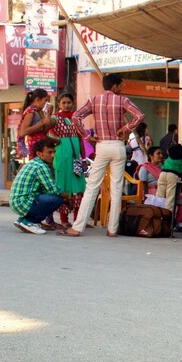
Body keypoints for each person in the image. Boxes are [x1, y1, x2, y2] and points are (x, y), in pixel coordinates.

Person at [59, 73, 144, 238]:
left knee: (92, 187)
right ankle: (112, 229)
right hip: (118, 146)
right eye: (121, 85)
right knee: (117, 187)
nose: (122, 88)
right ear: (114, 86)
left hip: (102, 146)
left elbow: (76, 117)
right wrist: (125, 128)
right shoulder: (122, 100)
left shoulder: (94, 100)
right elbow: (139, 115)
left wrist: (87, 136)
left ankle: (77, 227)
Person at [47, 93, 88, 228]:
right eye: (63, 102)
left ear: (73, 103)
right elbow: (46, 130)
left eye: (68, 102)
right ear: (59, 104)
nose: (66, 105)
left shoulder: (76, 118)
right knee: (63, 187)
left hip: (76, 158)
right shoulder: (55, 118)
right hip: (62, 157)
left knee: (78, 188)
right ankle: (64, 220)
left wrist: (83, 157)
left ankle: (78, 220)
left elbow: (81, 138)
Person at [9, 137, 64, 234]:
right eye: (49, 152)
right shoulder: (41, 166)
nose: (53, 155)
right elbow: (53, 189)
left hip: (17, 202)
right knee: (57, 199)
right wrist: (67, 196)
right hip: (23, 202)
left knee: (52, 196)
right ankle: (30, 221)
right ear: (39, 153)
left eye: (54, 152)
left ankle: (22, 220)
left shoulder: (33, 163)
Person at [157, 144, 182, 213]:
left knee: (160, 197)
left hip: (162, 174)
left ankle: (157, 216)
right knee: (171, 200)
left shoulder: (170, 157)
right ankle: (169, 220)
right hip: (174, 176)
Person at [18, 88, 53, 159]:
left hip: (41, 144)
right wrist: (42, 122)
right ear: (38, 99)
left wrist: (49, 114)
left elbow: (44, 131)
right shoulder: (30, 112)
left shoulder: (39, 111)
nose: (47, 103)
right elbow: (23, 131)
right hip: (34, 145)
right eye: (45, 100)